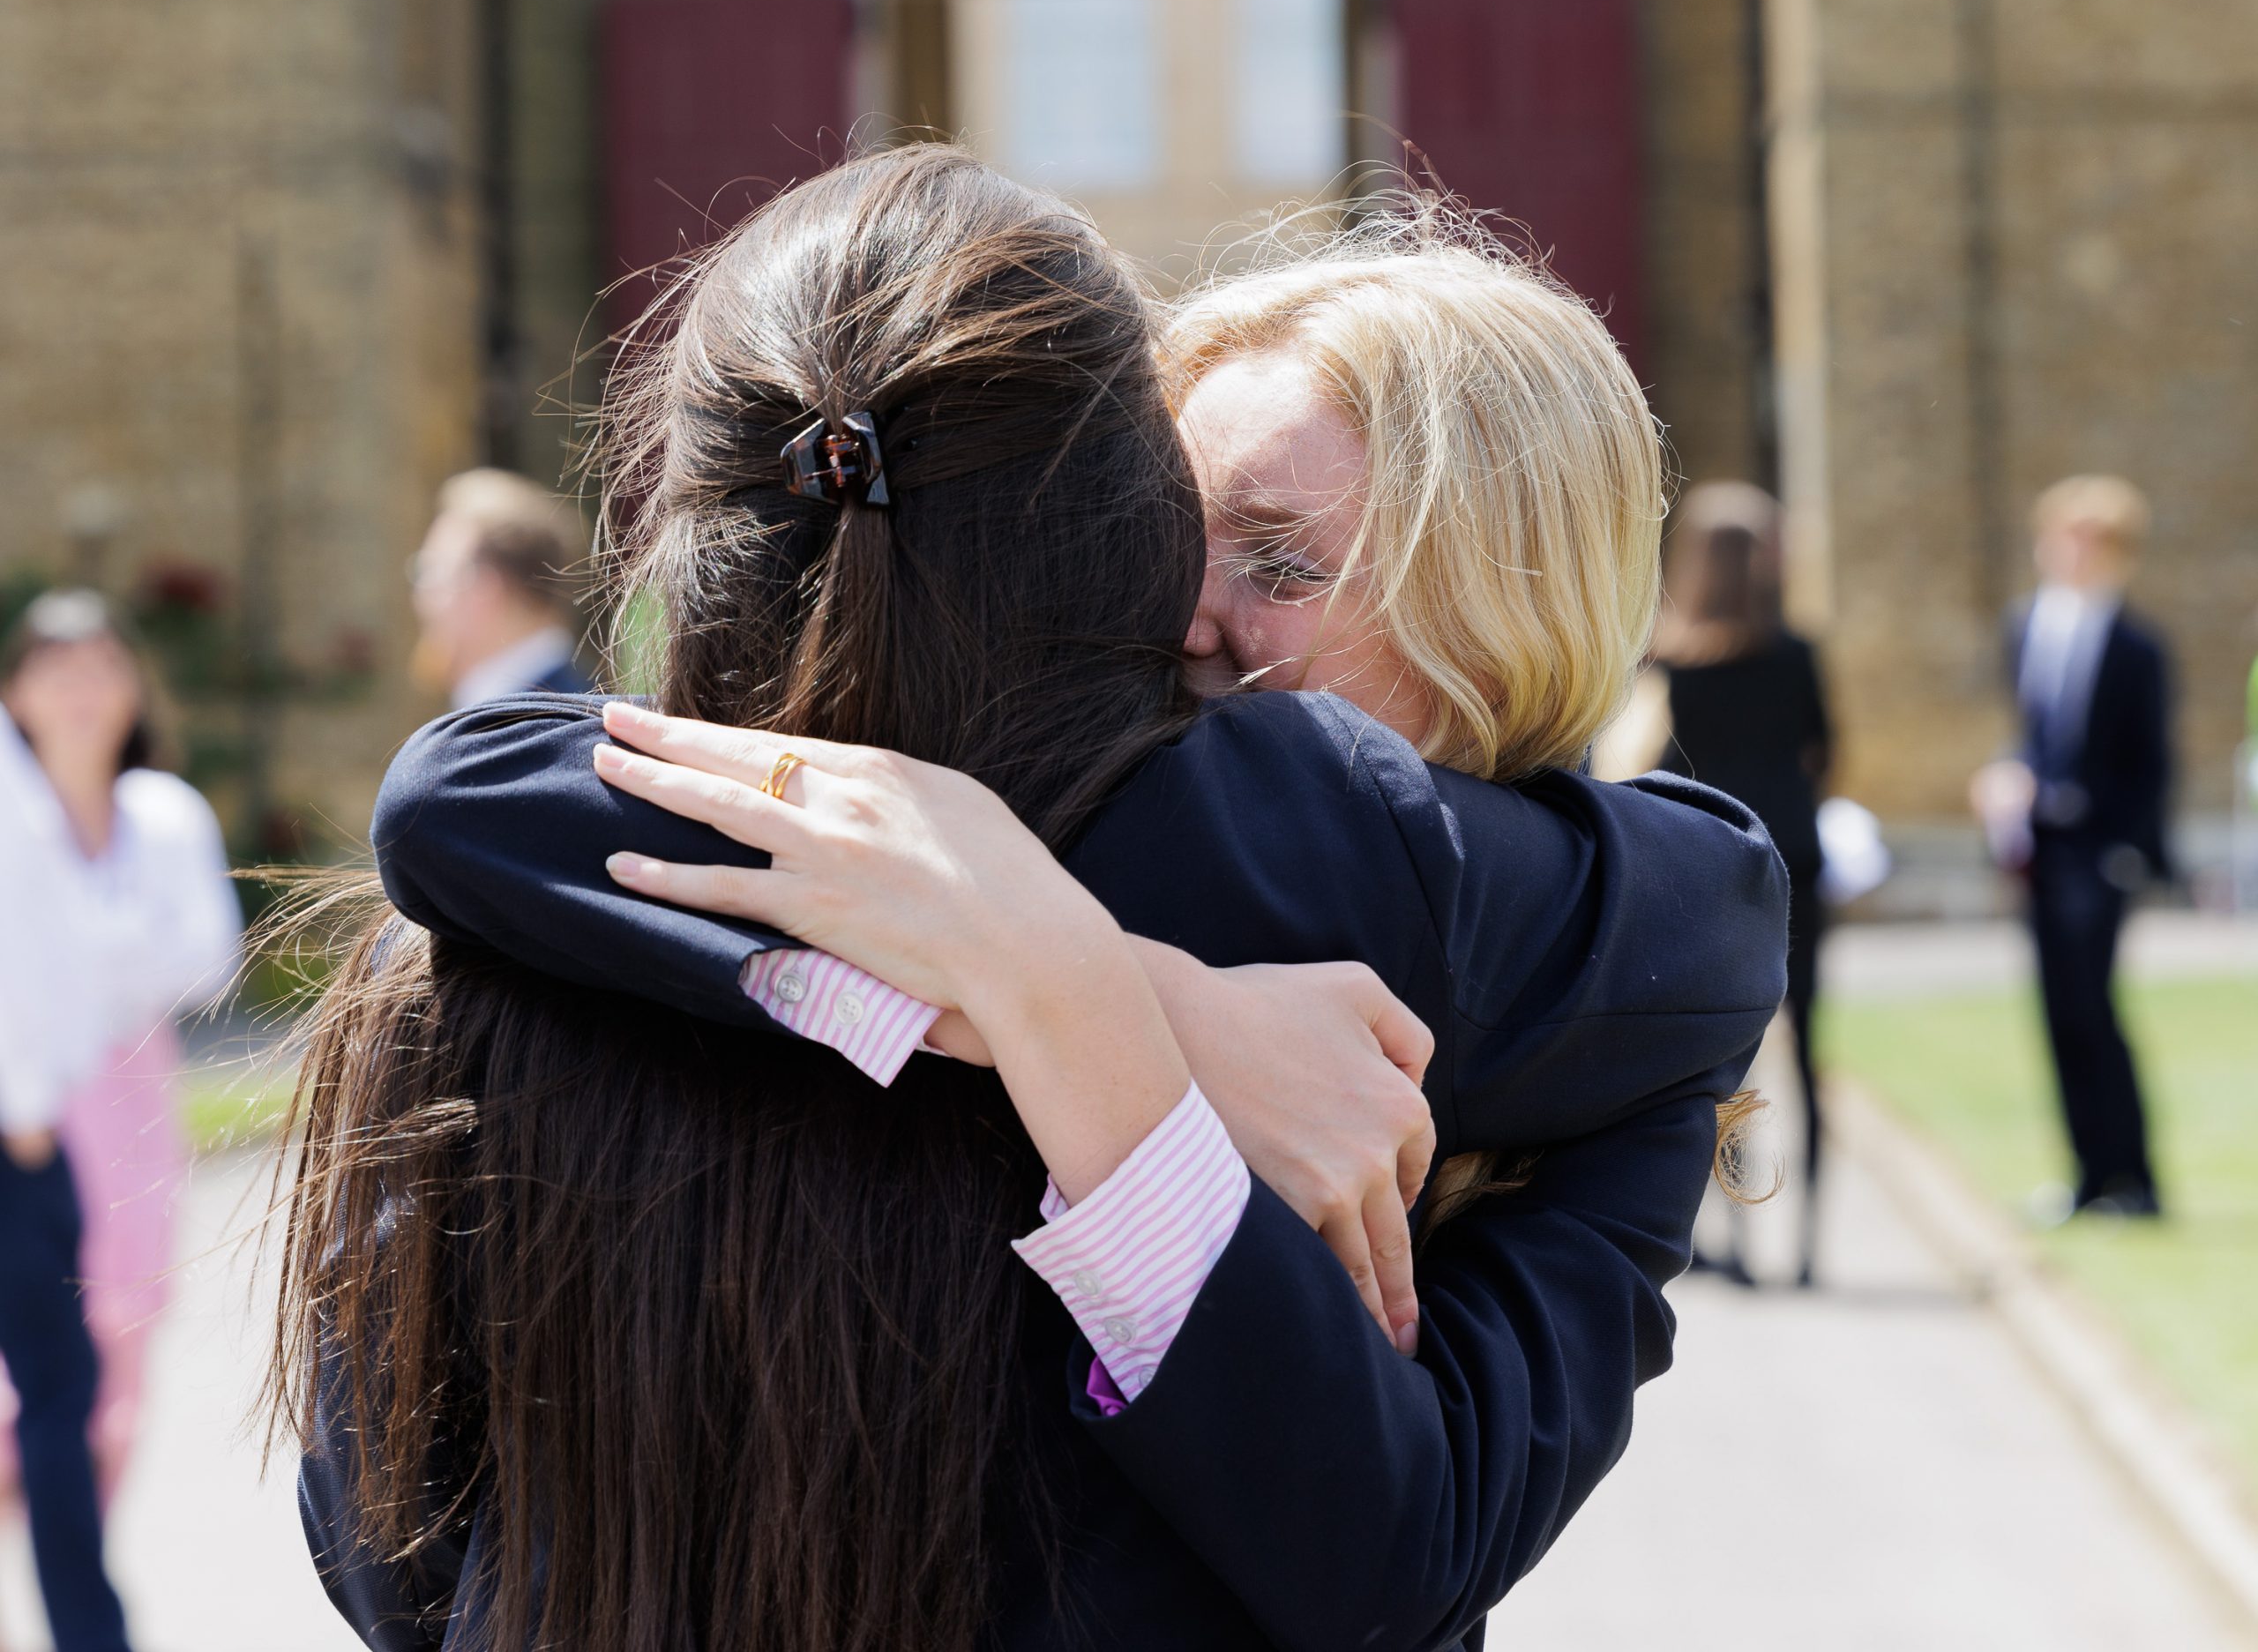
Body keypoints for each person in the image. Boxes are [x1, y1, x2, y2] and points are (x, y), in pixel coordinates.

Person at [280, 148, 1785, 1652]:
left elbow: (394, 1556)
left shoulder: (1393, 864)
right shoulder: (1043, 819)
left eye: (1279, 562)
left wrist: (1067, 981)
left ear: (1509, 616)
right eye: (1172, 527)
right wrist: (1102, 997)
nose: (1183, 611)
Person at [1, 593, 239, 1652]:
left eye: (102, 664)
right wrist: (112, 954)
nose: (83, 690)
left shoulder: (164, 813)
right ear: (17, 692)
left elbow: (206, 959)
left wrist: (79, 959)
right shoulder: (10, 809)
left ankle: (77, 1578)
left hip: (131, 1107)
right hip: (28, 1116)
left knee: (112, 1362)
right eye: (57, 668)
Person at [1647, 482, 1833, 1284]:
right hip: (1793, 862)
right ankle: (1809, 1246)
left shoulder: (1671, 662)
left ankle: (1734, 1239)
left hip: (1711, 867)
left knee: (1725, 1062)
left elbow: (1656, 768)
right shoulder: (1795, 655)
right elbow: (1823, 752)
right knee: (1810, 1052)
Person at [1973, 474, 2172, 1220]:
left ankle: (2136, 1180)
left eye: (2091, 542)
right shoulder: (2027, 626)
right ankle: (2088, 1176)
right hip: (2040, 850)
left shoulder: (2138, 647)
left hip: (2100, 853)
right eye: (2065, 538)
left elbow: (2151, 764)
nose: (2073, 553)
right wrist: (2006, 776)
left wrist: (2127, 852)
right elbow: (2030, 736)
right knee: (2057, 1012)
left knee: (2095, 1009)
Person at [407, 467, 592, 704]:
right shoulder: (570, 700)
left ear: (485, 589)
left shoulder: (526, 717)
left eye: (432, 573)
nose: (420, 597)